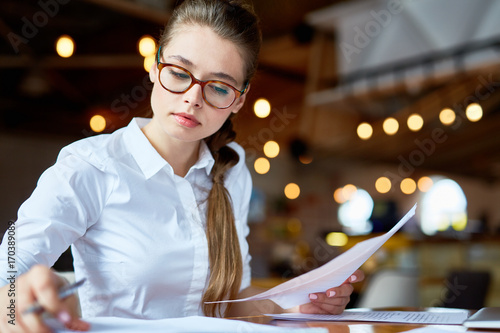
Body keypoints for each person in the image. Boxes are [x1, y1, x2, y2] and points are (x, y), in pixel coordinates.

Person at [0, 0, 364, 332]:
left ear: (240, 100)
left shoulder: (232, 170)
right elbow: (10, 261)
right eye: (179, 72)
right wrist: (14, 297)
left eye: (219, 88)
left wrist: (304, 303)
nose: (192, 99)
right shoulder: (91, 165)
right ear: (155, 67)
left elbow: (231, 302)